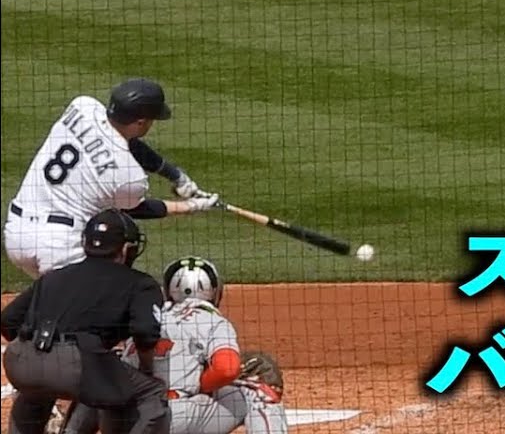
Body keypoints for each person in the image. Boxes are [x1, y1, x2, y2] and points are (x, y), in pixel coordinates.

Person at [4, 77, 222, 281]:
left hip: (16, 233)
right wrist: (191, 206)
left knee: (52, 303)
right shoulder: (129, 178)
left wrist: (176, 176)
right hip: (60, 246)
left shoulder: (82, 107)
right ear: (141, 122)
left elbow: (125, 142)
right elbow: (135, 209)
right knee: (95, 304)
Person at [62, 256, 290, 434]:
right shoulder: (211, 319)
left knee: (103, 372)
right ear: (214, 291)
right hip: (171, 420)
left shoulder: (148, 313)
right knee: (257, 387)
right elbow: (226, 369)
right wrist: (200, 385)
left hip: (119, 420)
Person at [1, 209, 172, 434]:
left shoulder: (54, 276)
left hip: (20, 360)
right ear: (125, 249)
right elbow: (146, 332)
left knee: (38, 389)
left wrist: (36, 354)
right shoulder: (140, 283)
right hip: (77, 364)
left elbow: (8, 320)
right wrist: (147, 370)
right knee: (149, 392)